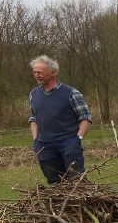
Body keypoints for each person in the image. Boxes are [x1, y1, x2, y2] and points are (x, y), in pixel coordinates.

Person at [28, 55, 92, 184]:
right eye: (34, 72)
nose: (36, 75)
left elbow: (85, 117)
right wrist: (36, 139)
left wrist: (77, 139)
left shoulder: (71, 93)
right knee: (54, 183)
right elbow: (34, 119)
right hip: (44, 146)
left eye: (40, 72)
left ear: (53, 73)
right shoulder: (34, 94)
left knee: (76, 181)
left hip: (68, 144)